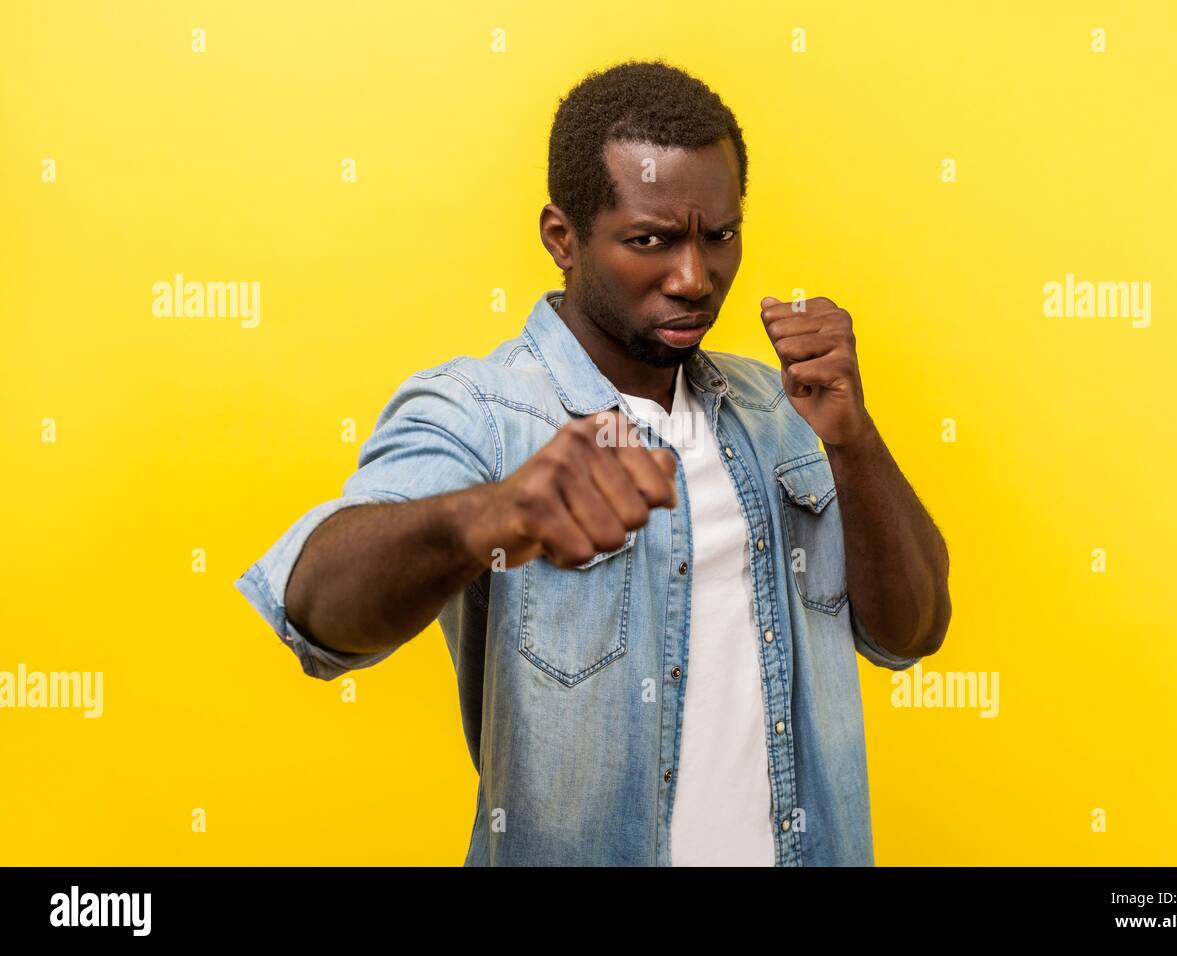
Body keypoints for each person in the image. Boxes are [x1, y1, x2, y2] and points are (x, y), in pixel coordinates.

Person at [234, 59, 951, 866]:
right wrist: (489, 516)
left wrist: (853, 442)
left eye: (720, 237)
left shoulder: (781, 412)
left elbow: (913, 634)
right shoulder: (483, 414)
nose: (694, 278)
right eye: (651, 241)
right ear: (562, 238)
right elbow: (315, 613)